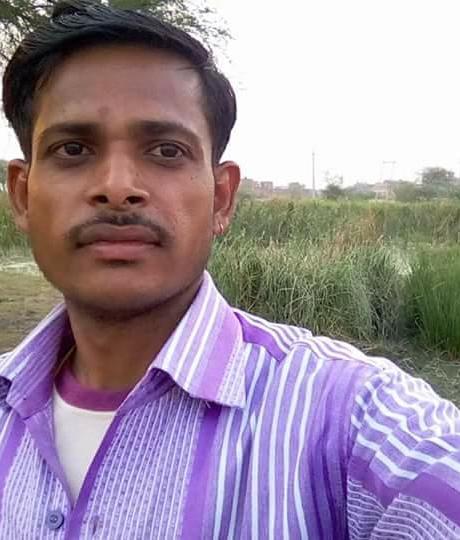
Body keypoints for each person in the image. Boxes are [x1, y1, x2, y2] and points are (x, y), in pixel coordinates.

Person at [1, 1, 459, 538]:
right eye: (73, 148)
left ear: (221, 198)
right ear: (23, 196)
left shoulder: (352, 420)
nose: (118, 186)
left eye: (166, 150)